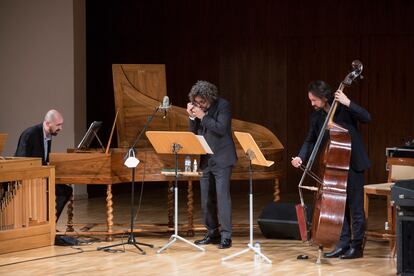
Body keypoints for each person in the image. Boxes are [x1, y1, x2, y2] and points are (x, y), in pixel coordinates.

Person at [291, 80, 371, 259]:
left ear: (325, 98)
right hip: (334, 165)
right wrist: (300, 157)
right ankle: (343, 244)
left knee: (355, 206)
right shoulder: (316, 117)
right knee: (339, 206)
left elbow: (367, 117)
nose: (312, 104)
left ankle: (357, 246)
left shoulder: (344, 109)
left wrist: (347, 101)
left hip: (353, 163)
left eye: (314, 100)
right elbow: (310, 140)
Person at [186, 80, 237, 249]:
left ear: (210, 98)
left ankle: (226, 236)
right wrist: (193, 117)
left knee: (222, 198)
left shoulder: (223, 106)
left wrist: (203, 116)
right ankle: (212, 233)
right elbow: (192, 134)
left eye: (202, 102)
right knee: (206, 199)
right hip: (206, 159)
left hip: (222, 158)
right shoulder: (200, 111)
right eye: (196, 102)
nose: (199, 105)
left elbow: (221, 128)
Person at [15, 109, 73, 223]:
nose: (61, 128)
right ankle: (45, 223)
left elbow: (44, 160)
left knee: (66, 191)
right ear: (47, 124)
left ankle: (50, 223)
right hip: (28, 179)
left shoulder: (48, 135)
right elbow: (21, 159)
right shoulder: (30, 134)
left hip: (40, 177)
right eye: (58, 125)